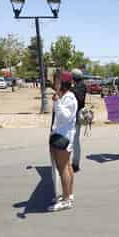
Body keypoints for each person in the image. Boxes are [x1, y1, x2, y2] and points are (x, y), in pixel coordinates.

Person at [48, 72, 78, 211]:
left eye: (57, 81)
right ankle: (69, 194)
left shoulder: (69, 98)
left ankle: (66, 200)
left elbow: (65, 116)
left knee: (63, 168)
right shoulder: (64, 96)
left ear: (63, 83)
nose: (54, 83)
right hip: (62, 135)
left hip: (63, 138)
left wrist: (57, 102)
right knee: (67, 167)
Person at [71, 68, 87, 173]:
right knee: (74, 140)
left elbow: (80, 99)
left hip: (77, 116)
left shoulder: (80, 86)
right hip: (74, 116)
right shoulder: (79, 85)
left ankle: (75, 164)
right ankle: (74, 162)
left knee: (75, 141)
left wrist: (71, 90)